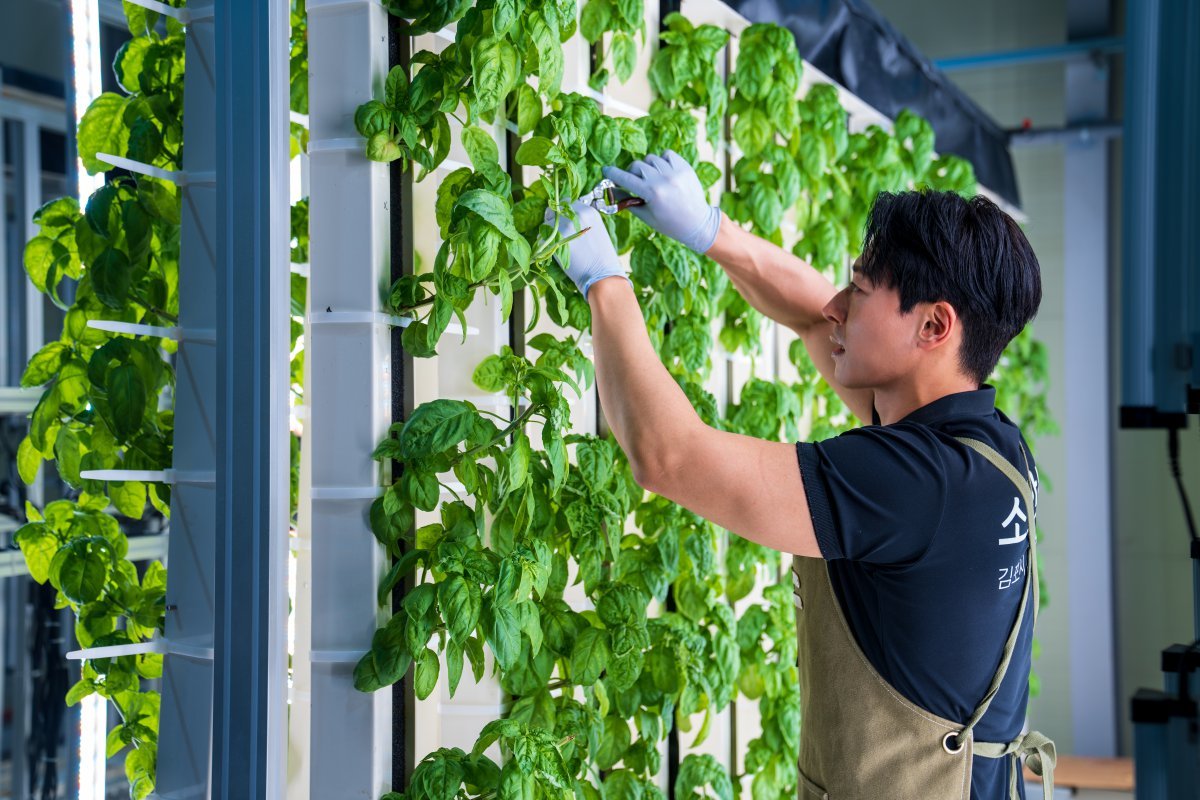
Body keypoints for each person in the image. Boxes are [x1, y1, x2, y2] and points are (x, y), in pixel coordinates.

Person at [546, 149, 1056, 800]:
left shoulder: (916, 486)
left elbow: (666, 455)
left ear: (934, 325)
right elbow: (817, 312)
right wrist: (708, 230)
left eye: (862, 290)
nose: (839, 305)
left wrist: (602, 280)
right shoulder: (986, 447)